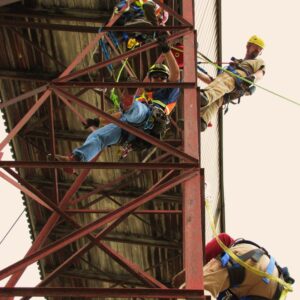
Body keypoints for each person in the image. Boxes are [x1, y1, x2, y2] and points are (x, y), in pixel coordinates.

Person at [57, 35, 180, 173]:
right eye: (155, 77)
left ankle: (128, 99)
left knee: (138, 110)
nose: (159, 79)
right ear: (150, 79)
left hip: (147, 124)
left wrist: (167, 51)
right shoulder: (144, 96)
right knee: (98, 137)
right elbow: (121, 115)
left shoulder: (168, 93)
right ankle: (77, 160)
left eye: (163, 78)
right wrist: (97, 121)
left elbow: (175, 74)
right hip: (127, 131)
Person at [172, 233, 294, 300]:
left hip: (248, 259)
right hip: (272, 290)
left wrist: (190, 272)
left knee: (196, 290)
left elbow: (222, 239)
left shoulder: (230, 246)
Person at [199, 35, 266, 132]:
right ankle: (203, 120)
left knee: (222, 85)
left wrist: (253, 77)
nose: (257, 51)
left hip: (238, 78)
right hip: (231, 87)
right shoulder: (239, 62)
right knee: (218, 100)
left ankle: (206, 96)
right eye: (256, 47)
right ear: (248, 46)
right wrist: (195, 73)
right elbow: (213, 82)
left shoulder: (258, 61)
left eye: (259, 50)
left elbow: (261, 73)